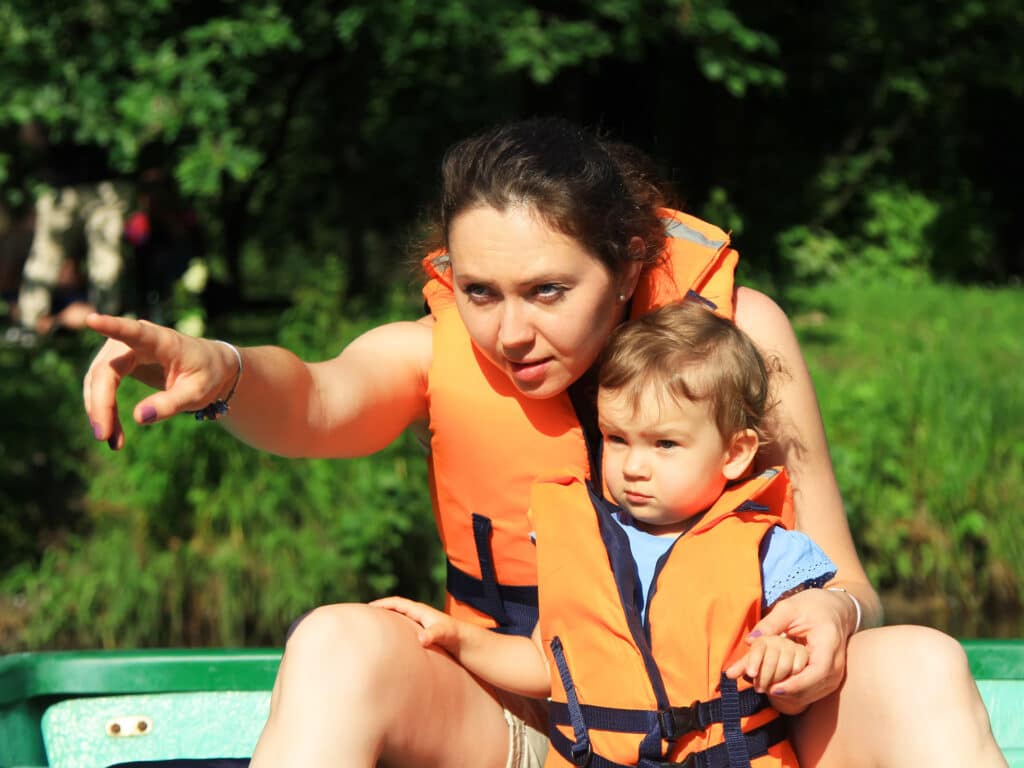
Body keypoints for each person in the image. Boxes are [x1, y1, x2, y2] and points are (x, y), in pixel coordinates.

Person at [82, 117, 1005, 768]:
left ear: (630, 266)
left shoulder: (742, 339)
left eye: (548, 292)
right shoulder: (439, 355)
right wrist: (224, 371)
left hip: (743, 731)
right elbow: (319, 398)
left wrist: (833, 620)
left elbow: (851, 585)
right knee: (334, 643)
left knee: (924, 661)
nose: (508, 332)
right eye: (481, 292)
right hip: (530, 732)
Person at [374, 299, 840, 767]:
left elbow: (801, 688)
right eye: (617, 439)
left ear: (735, 453)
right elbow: (543, 666)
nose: (634, 467)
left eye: (665, 444)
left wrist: (785, 660)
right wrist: (456, 636)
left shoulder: (770, 552)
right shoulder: (581, 543)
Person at [15, 122, 131, 340]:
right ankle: (30, 326)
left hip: (102, 185)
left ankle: (106, 328)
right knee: (46, 258)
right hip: (63, 184)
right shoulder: (42, 98)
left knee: (104, 260)